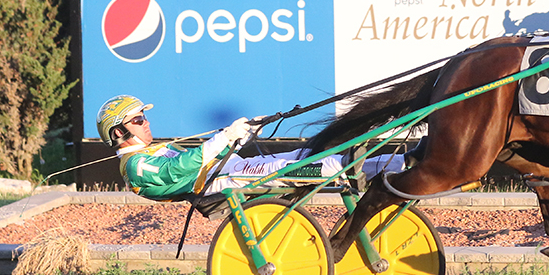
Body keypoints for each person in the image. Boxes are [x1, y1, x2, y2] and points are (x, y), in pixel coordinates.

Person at [96, 95, 407, 201]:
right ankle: (395, 169)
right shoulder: (136, 166)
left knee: (306, 157)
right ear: (120, 131)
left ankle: (400, 164)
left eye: (144, 116)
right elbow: (182, 168)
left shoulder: (150, 152)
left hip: (230, 170)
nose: (146, 122)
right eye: (138, 119)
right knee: (312, 168)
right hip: (223, 181)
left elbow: (208, 157)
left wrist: (241, 135)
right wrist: (225, 137)